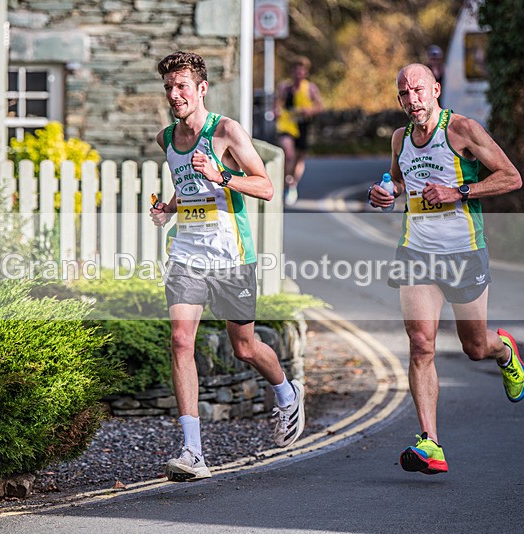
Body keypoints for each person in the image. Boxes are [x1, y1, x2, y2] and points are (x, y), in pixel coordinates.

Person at [150, 51, 305, 482]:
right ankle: (192, 452)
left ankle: (286, 392)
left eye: (182, 86)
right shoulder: (167, 139)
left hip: (231, 257)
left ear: (201, 89)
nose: (174, 94)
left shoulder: (227, 132)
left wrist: (222, 176)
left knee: (244, 347)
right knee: (181, 340)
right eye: (168, 87)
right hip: (186, 255)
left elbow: (266, 187)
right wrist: (169, 207)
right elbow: (187, 186)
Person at [368, 63, 524, 475]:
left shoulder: (462, 130)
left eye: (419, 90)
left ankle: (504, 349)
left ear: (436, 89)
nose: (412, 100)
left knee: (475, 347)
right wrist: (387, 193)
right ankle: (430, 443)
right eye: (404, 93)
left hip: (463, 252)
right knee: (421, 344)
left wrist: (460, 191)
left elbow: (511, 177)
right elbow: (400, 181)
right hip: (416, 252)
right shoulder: (400, 137)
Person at [275, 56, 324, 206]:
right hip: (287, 125)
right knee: (288, 153)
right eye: (296, 71)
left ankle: (292, 185)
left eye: (301, 72)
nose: (298, 74)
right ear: (292, 72)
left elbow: (320, 106)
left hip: (303, 125)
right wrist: (276, 111)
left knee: (299, 158)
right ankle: (286, 181)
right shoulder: (285, 87)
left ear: (305, 73)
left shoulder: (310, 88)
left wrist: (309, 110)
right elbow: (277, 103)